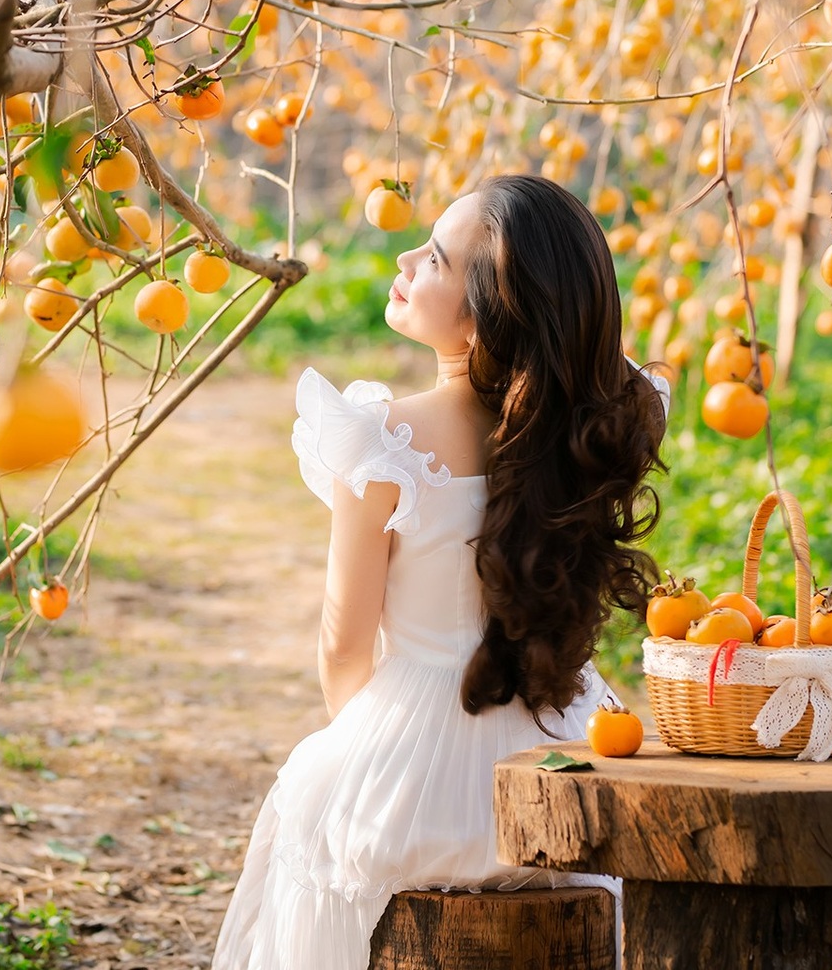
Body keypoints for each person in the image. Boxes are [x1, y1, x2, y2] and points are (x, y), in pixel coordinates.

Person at [212, 174, 672, 969]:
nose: (402, 255)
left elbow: (344, 651)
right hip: (561, 753)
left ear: (485, 317)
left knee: (322, 827)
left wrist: (374, 755)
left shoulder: (385, 441)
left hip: (413, 756)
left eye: (430, 257)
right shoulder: (591, 428)